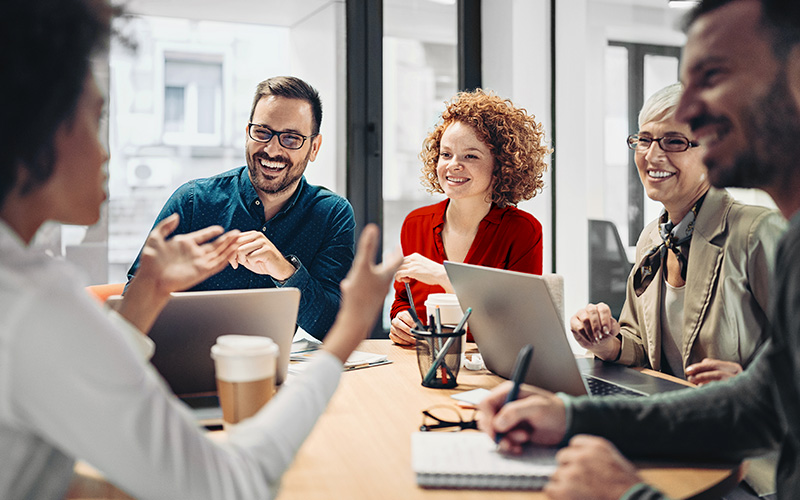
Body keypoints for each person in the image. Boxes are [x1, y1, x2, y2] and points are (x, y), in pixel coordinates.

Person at [0, 1, 402, 498]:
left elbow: (60, 426)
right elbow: (228, 485)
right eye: (96, 118)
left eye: (292, 138)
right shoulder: (37, 299)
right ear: (39, 129)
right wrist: (348, 334)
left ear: (313, 147)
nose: (107, 151)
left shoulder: (24, 288)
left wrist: (149, 293)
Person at [477, 0, 800, 498]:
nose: (691, 110)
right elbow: (754, 405)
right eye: (645, 138)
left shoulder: (766, 235)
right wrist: (568, 416)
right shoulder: (783, 242)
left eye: (712, 76)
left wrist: (625, 495)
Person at [570, 83, 784, 385]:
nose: (652, 156)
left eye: (674, 142)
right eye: (644, 140)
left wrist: (750, 382)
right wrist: (606, 343)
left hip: (743, 423)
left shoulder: (757, 232)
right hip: (673, 419)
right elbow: (644, 347)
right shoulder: (652, 239)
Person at [126, 75, 355, 340]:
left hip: (274, 373)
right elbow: (131, 301)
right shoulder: (192, 201)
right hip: (186, 367)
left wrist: (284, 271)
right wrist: (163, 284)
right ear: (247, 133)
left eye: (291, 138)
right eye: (262, 132)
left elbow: (333, 326)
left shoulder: (332, 215)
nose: (271, 149)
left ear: (313, 148)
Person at [389, 89, 550, 345]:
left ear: (501, 165)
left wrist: (444, 277)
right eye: (446, 154)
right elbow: (404, 302)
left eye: (470, 156)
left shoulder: (522, 231)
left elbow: (519, 326)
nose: (453, 164)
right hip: (422, 365)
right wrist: (401, 321)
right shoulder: (414, 223)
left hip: (489, 373)